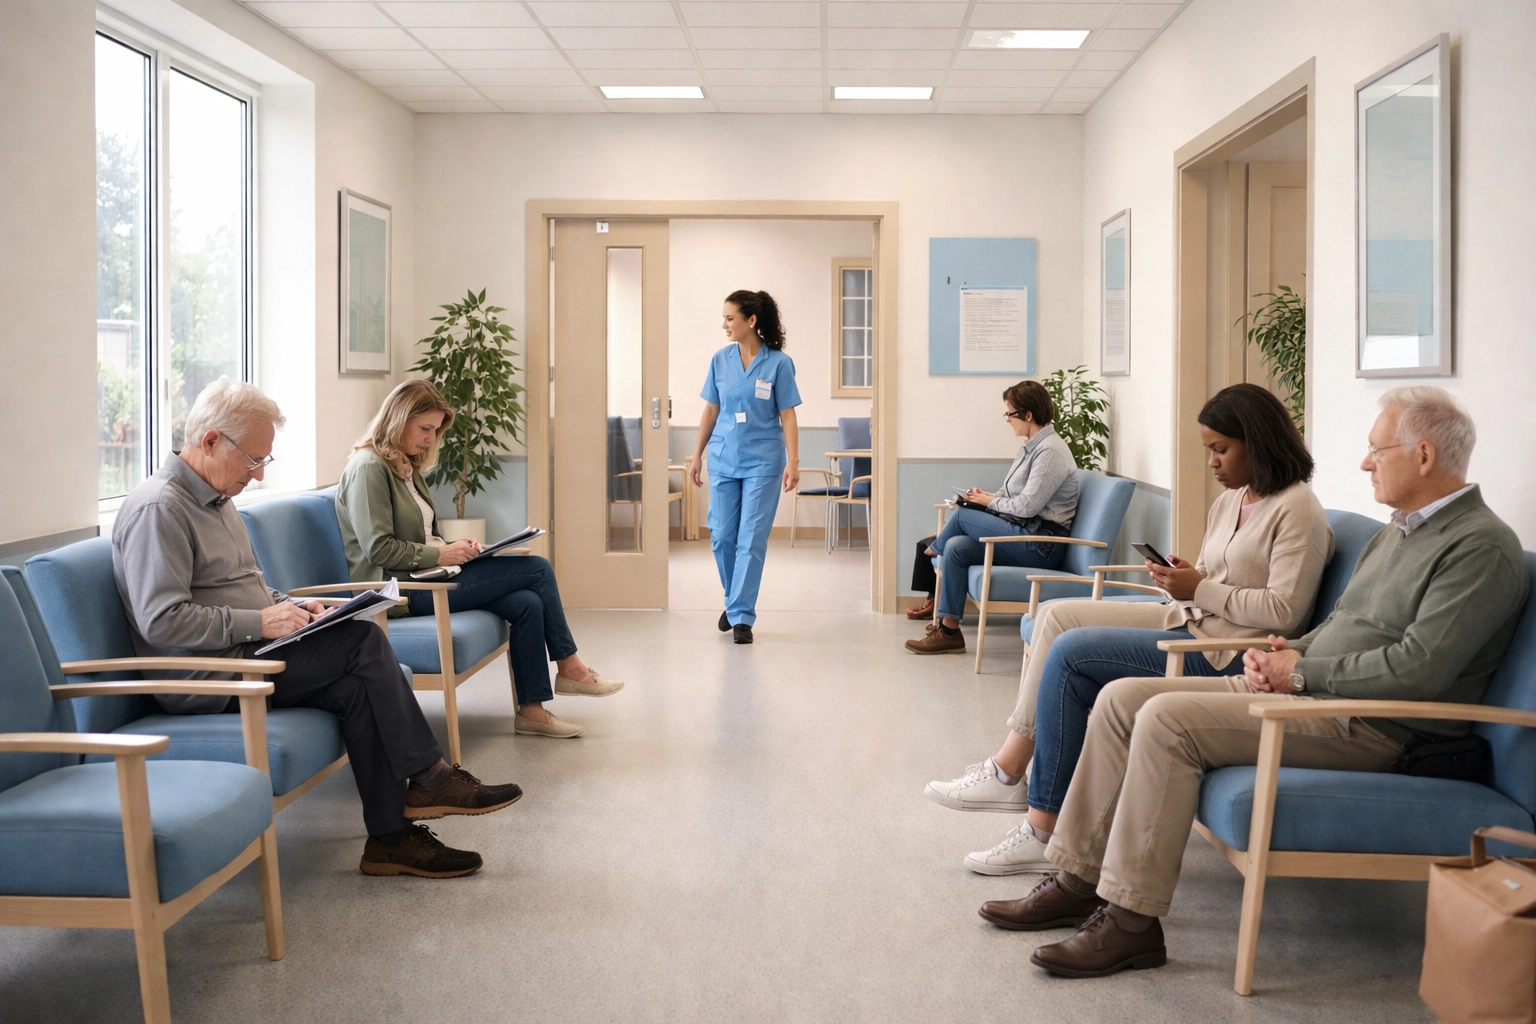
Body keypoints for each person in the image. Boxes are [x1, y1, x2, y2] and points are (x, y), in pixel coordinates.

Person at [980, 386, 1528, 979]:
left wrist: (1301, 671)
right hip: (1315, 695)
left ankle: (1131, 924)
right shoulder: (1397, 532)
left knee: (1164, 719)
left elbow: (1421, 668)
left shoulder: (1479, 547)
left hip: (1373, 723)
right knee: (1120, 701)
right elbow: (1343, 625)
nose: (1365, 462)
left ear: (1423, 456)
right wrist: (1285, 655)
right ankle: (1076, 878)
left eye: (1377, 450)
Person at [112, 378, 522, 879]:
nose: (259, 476)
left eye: (266, 462)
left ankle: (390, 840)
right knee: (363, 641)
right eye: (253, 460)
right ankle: (432, 777)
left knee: (355, 684)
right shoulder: (161, 508)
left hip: (248, 651)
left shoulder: (217, 501)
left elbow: (249, 589)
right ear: (211, 440)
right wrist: (261, 620)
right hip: (212, 675)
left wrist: (300, 610)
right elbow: (162, 620)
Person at [926, 383, 1334, 875]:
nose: (1212, 463)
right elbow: (1211, 577)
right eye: (1208, 450)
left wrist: (1199, 588)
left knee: (1073, 651)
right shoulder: (1232, 500)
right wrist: (1181, 577)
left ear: (1258, 440)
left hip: (1225, 648)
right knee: (1057, 616)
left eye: (1221, 450)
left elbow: (1284, 611)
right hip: (1191, 616)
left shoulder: (1298, 510)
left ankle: (1039, 821)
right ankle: (1008, 768)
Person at [335, 378, 623, 740]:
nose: (430, 439)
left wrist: (458, 546)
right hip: (400, 591)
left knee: (526, 602)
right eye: (425, 428)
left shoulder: (404, 468)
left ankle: (532, 711)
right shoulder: (368, 468)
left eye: (435, 431)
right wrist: (442, 552)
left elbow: (421, 537)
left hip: (429, 574)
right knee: (537, 569)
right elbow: (379, 549)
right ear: (399, 417)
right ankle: (571, 666)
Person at [904, 380, 1079, 654]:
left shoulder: (1050, 452)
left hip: (1042, 545)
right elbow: (1011, 494)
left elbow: (1027, 507)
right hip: (1024, 534)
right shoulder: (1030, 447)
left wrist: (988, 501)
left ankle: (931, 552)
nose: (1007, 420)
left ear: (1028, 415)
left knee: (961, 518)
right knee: (956, 547)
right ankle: (949, 631)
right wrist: (985, 496)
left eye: (1009, 414)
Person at [689, 289, 802, 645]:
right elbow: (711, 410)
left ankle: (741, 617)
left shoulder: (779, 363)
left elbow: (787, 413)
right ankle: (735, 600)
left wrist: (794, 460)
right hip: (723, 458)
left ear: (751, 321)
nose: (724, 325)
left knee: (751, 539)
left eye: (729, 318)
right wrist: (697, 455)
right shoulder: (719, 360)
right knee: (722, 535)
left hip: (764, 462)